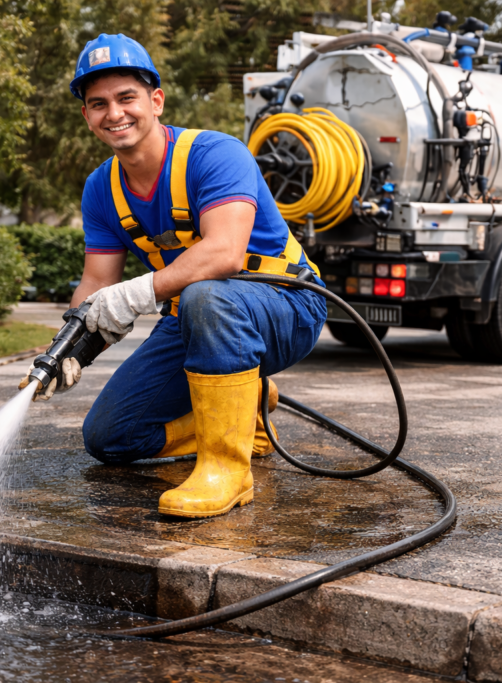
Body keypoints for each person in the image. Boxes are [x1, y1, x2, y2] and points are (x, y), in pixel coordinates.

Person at [20, 34, 326, 519]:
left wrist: (138, 294)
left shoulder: (214, 155)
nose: (113, 113)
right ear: (86, 116)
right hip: (196, 316)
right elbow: (97, 283)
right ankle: (247, 409)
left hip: (286, 306)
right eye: (98, 104)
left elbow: (224, 253)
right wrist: (70, 347)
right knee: (110, 438)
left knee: (207, 294)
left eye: (126, 98)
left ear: (155, 101)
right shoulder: (101, 189)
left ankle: (227, 470)